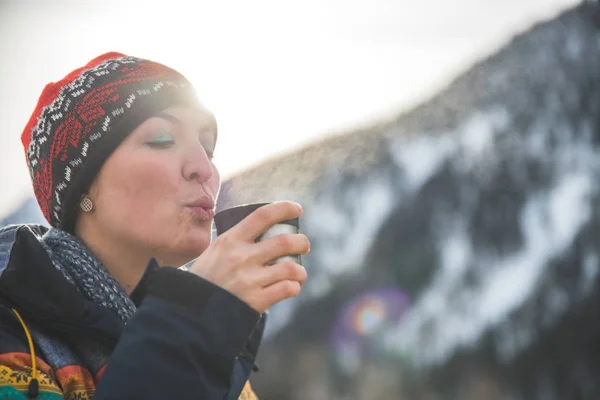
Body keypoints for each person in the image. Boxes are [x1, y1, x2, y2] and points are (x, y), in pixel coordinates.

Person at [0, 52, 310, 399]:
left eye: (207, 149)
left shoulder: (211, 341)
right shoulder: (10, 330)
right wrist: (190, 326)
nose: (204, 169)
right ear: (82, 186)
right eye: (162, 139)